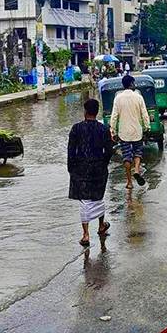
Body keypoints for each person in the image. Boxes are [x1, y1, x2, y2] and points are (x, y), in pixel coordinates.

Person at [67, 98, 114, 247]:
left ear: (85, 111)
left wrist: (71, 168)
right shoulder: (104, 129)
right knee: (98, 197)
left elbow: (71, 151)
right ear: (97, 112)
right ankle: (101, 226)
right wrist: (103, 164)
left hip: (81, 168)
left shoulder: (76, 128)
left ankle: (86, 234)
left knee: (85, 201)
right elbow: (109, 150)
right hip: (99, 168)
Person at [111, 74, 150, 190]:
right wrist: (147, 127)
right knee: (138, 153)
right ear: (131, 84)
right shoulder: (138, 97)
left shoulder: (118, 98)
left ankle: (129, 182)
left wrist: (113, 131)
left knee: (126, 157)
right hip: (137, 131)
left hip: (124, 133)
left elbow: (114, 116)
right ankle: (137, 170)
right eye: (134, 83)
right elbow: (144, 114)